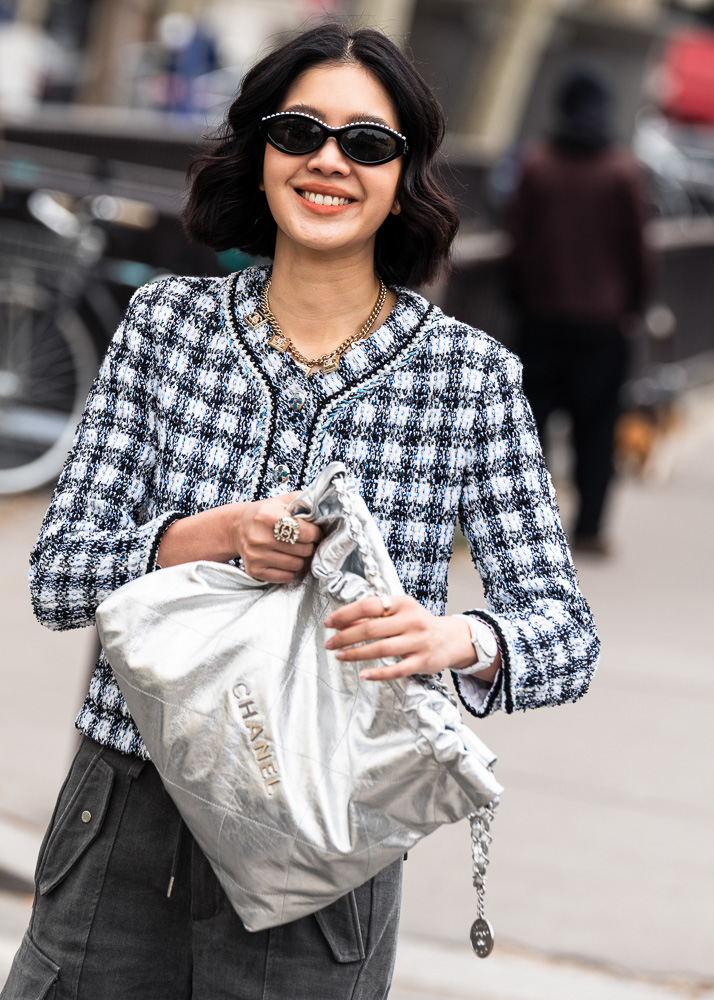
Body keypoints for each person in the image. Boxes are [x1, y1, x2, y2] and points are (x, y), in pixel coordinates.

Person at [3, 23, 599, 1000]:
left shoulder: (471, 381)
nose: (329, 160)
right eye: (299, 132)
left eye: (367, 142)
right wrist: (208, 539)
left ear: (404, 174)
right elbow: (60, 578)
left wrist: (447, 635)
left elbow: (565, 637)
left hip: (328, 824)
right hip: (126, 807)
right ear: (261, 152)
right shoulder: (166, 329)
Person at [506, 67, 652, 555]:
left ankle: (527, 531)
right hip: (603, 324)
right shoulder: (621, 170)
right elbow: (637, 250)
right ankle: (588, 529)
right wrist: (634, 306)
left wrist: (520, 298)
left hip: (541, 316)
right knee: (596, 429)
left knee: (529, 431)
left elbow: (518, 240)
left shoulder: (538, 164)